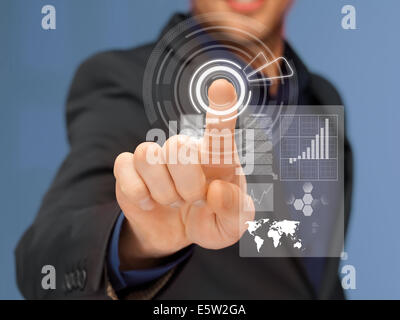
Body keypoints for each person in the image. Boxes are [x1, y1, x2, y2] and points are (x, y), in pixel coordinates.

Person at [15, 0, 353, 299]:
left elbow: (316, 276)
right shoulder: (125, 80)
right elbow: (45, 262)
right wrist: (139, 243)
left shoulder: (322, 99)